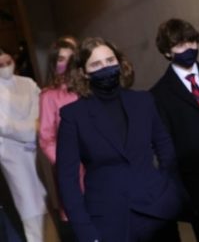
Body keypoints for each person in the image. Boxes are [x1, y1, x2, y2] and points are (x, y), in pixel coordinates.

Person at [57, 37, 185, 242]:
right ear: (83, 72)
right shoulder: (73, 116)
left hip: (157, 210)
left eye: (110, 61)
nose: (105, 67)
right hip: (110, 221)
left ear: (119, 62)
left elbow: (165, 148)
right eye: (96, 64)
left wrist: (168, 190)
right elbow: (67, 180)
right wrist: (85, 232)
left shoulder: (143, 101)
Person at [150, 19, 199, 241]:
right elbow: (165, 147)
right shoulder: (158, 95)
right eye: (180, 45)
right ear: (167, 51)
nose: (189, 49)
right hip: (197, 188)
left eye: (192, 41)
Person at [0, 47, 47, 241]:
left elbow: (40, 109)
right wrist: (31, 129)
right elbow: (3, 125)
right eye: (0, 65)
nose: (5, 67)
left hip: (39, 147)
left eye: (8, 63)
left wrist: (35, 127)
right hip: (11, 153)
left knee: (47, 200)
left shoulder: (27, 82)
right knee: (28, 204)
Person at [38, 36, 81, 242]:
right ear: (54, 63)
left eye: (71, 59)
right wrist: (65, 162)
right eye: (61, 59)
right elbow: (46, 138)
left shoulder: (87, 89)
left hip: (99, 164)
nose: (67, 64)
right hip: (71, 168)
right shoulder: (48, 96)